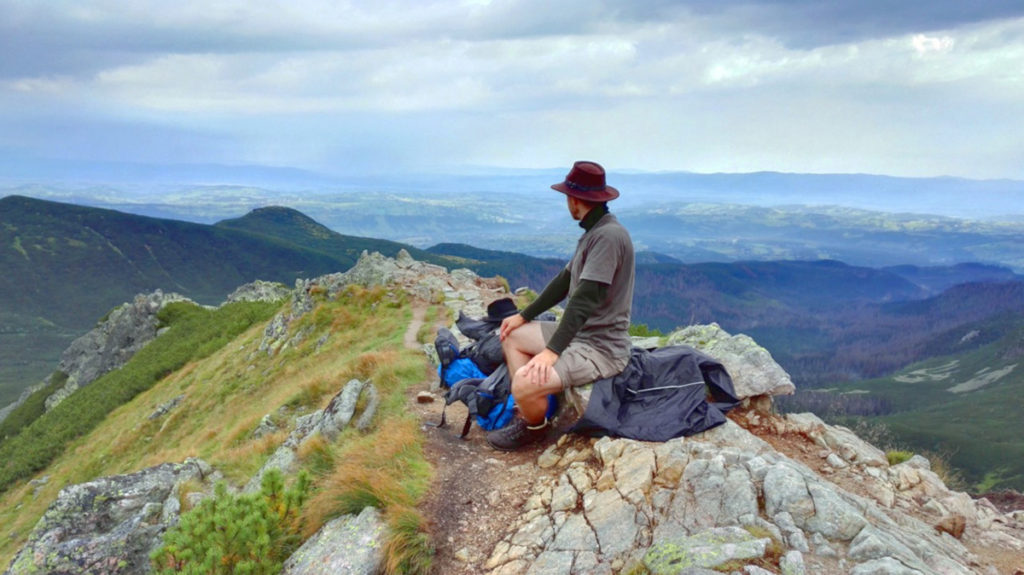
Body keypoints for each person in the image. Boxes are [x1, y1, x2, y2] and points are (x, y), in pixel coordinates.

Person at [487, 160, 635, 451]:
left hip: (601, 347)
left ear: (575, 200)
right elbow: (565, 281)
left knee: (523, 383)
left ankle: (534, 425)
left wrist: (550, 352)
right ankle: (532, 405)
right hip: (580, 334)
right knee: (511, 335)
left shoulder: (608, 237)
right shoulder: (594, 232)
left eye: (568, 196)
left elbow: (584, 299)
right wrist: (522, 316)